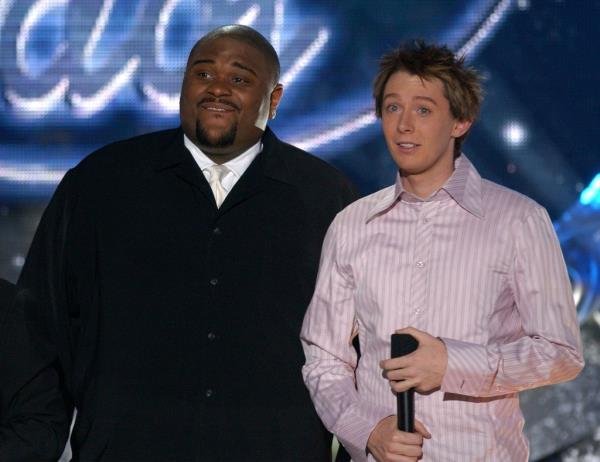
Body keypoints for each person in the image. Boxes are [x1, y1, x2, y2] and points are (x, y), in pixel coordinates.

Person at [0, 25, 358, 461]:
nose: (218, 89)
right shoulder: (101, 183)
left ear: (275, 99)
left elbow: (352, 347)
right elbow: (40, 326)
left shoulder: (324, 197)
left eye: (241, 79)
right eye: (203, 75)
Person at [301, 40, 584, 462]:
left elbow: (561, 353)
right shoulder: (352, 224)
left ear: (461, 121)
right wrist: (367, 431)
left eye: (424, 110)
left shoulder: (518, 220)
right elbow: (324, 355)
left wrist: (452, 364)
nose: (404, 125)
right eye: (393, 107)